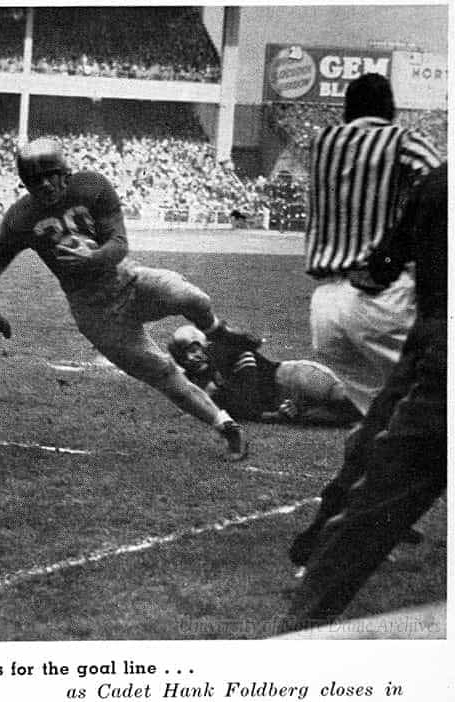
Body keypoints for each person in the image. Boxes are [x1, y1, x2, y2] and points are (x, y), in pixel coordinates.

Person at [0, 137, 262, 461]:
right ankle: (226, 426)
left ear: (65, 172)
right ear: (25, 184)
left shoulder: (91, 187)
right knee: (161, 372)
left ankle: (217, 331)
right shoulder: (21, 217)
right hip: (94, 312)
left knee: (191, 296)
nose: (45, 185)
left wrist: (93, 258)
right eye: (35, 180)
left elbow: (119, 244)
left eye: (50, 175)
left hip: (128, 280)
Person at [281, 162, 447, 631]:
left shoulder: (439, 181)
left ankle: (301, 623)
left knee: (381, 484)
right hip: (433, 348)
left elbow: (381, 267)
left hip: (435, 349)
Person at [304, 73, 440, 416]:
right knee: (432, 400)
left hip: (325, 309)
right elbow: (441, 187)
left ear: (348, 109)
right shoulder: (404, 141)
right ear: (390, 108)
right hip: (382, 294)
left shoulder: (322, 142)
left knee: (380, 416)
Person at [168, 325, 362, 425]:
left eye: (193, 350)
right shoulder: (200, 382)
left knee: (352, 401)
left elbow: (248, 402)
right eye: (184, 355)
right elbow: (241, 410)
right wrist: (277, 415)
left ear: (204, 345)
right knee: (348, 416)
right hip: (282, 402)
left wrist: (272, 415)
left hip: (293, 378)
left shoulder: (227, 354)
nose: (191, 358)